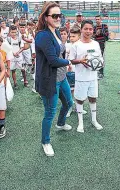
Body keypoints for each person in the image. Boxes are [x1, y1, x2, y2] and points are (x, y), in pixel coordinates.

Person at [35, 2, 72, 157]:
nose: (58, 18)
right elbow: (53, 60)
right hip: (50, 79)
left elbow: (59, 53)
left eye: (60, 15)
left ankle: (61, 123)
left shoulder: (55, 31)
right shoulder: (43, 35)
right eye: (55, 16)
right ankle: (45, 142)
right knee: (50, 112)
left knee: (69, 103)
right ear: (46, 17)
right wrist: (70, 62)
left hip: (61, 76)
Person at [68, 20, 103, 133]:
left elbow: (100, 58)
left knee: (93, 98)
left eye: (90, 29)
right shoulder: (76, 45)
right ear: (81, 30)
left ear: (93, 30)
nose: (88, 31)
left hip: (93, 77)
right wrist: (80, 61)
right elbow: (72, 60)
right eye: (86, 29)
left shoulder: (95, 44)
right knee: (80, 99)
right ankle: (80, 123)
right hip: (81, 78)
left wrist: (100, 63)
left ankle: (94, 120)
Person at [93, 15, 109, 79]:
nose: (97, 20)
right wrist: (96, 34)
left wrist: (100, 32)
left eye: (98, 19)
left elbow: (107, 35)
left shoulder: (104, 26)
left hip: (101, 44)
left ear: (101, 19)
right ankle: (95, 71)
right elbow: (92, 36)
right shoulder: (94, 27)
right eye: (96, 19)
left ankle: (101, 72)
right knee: (94, 57)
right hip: (95, 44)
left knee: (101, 58)